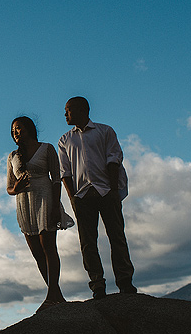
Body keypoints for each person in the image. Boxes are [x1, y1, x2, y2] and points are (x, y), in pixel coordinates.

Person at [58, 97, 136, 299]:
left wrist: (111, 189)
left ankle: (125, 282)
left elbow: (114, 158)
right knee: (87, 242)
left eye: (68, 110)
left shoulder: (105, 131)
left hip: (106, 191)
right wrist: (73, 198)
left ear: (82, 110)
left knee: (117, 236)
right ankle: (97, 285)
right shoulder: (65, 140)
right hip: (82, 195)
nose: (65, 114)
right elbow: (64, 172)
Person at [6, 116, 74, 311]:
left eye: (18, 128)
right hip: (24, 203)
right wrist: (16, 187)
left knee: (48, 248)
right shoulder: (12, 157)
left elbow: (56, 179)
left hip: (45, 199)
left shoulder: (47, 149)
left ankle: (52, 296)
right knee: (37, 253)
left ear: (29, 128)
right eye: (13, 131)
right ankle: (56, 295)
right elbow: (9, 188)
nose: (15, 133)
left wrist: (55, 206)